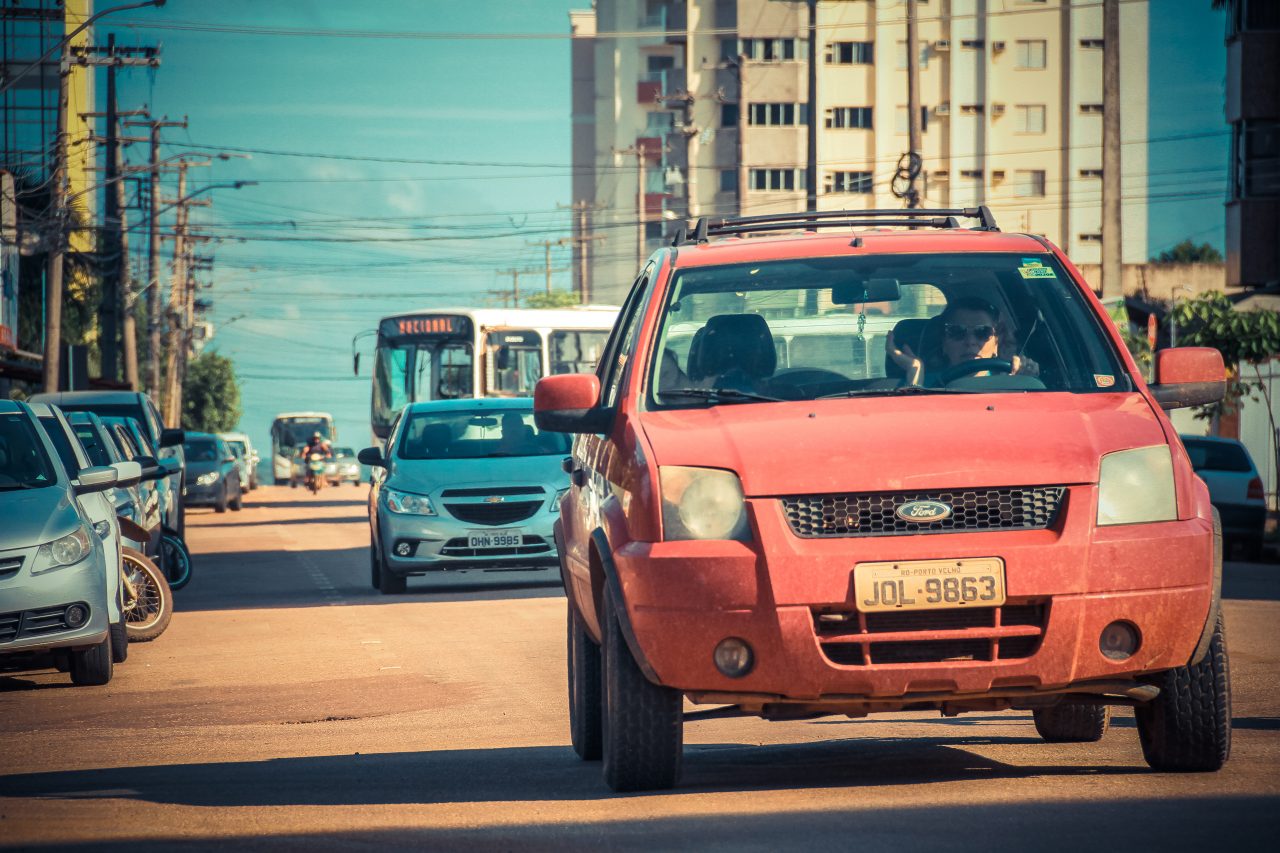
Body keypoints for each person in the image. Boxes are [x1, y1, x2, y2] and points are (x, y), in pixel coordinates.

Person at [886, 296, 1038, 386]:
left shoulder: (1012, 383)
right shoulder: (921, 383)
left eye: (982, 332)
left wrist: (1028, 381)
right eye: (957, 332)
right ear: (943, 343)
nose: (970, 341)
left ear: (996, 343)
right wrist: (915, 371)